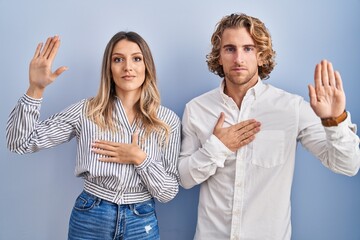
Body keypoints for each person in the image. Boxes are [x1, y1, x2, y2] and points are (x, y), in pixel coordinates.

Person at [178, 13, 360, 240]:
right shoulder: (196, 109)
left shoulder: (290, 108)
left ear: (262, 56)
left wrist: (334, 121)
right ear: (219, 56)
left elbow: (348, 166)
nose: (238, 59)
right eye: (230, 49)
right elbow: (184, 178)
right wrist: (218, 147)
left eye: (248, 48)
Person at [6, 31, 181, 240]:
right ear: (109, 67)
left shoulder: (167, 121)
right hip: (91, 216)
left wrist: (139, 158)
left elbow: (168, 192)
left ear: (147, 66)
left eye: (136, 58)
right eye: (118, 59)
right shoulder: (86, 111)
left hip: (141, 220)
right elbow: (20, 143)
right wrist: (36, 88)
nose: (128, 67)